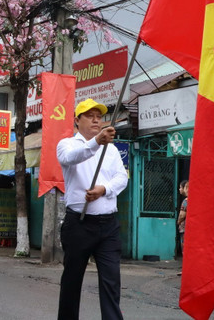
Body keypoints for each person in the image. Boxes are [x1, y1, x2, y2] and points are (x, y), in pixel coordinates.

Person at [56, 98, 129, 320]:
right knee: (72, 280)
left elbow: (122, 177)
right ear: (77, 120)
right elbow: (71, 158)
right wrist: (97, 141)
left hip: (108, 225)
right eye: (90, 116)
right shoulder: (67, 144)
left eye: (99, 116)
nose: (96, 120)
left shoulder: (113, 150)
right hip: (79, 224)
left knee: (111, 281)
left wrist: (103, 189)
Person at [177, 180, 189, 255]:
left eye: (180, 187)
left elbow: (182, 215)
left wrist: (178, 222)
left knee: (184, 248)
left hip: (184, 228)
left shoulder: (186, 201)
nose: (179, 189)